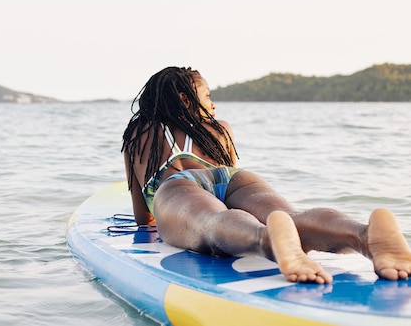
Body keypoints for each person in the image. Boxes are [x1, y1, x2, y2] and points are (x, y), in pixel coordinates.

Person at [121, 66, 411, 284]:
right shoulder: (220, 128)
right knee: (291, 215)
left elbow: (143, 217)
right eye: (208, 95)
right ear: (186, 98)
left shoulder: (140, 133)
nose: (213, 104)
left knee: (211, 223)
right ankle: (364, 235)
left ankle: (268, 240)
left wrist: (169, 216)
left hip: (179, 185)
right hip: (234, 177)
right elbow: (229, 178)